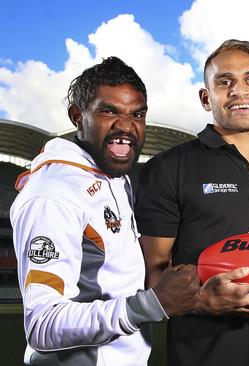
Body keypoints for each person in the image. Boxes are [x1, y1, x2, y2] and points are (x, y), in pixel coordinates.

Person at [134, 39, 249, 366]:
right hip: (204, 353)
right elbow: (153, 276)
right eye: (225, 82)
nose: (239, 90)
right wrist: (201, 300)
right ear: (206, 98)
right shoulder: (168, 168)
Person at [10, 57, 199, 365]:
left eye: (137, 114)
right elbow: (42, 325)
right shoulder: (52, 194)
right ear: (77, 116)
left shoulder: (114, 175)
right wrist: (151, 305)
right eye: (109, 111)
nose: (126, 126)